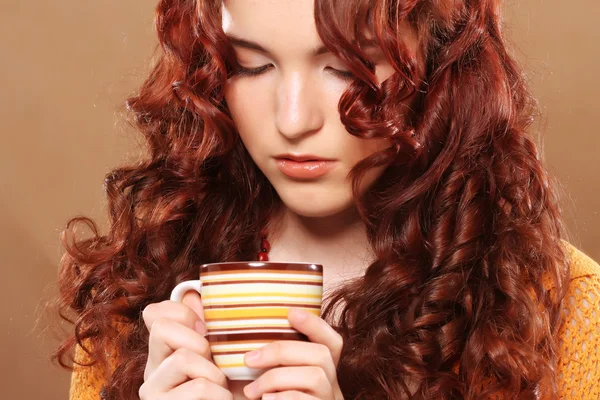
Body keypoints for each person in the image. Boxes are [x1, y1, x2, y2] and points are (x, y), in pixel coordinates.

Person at [53, 0, 600, 399]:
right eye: (250, 64)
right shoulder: (140, 303)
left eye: (347, 66)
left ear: (440, 59)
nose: (293, 121)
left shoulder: (565, 311)